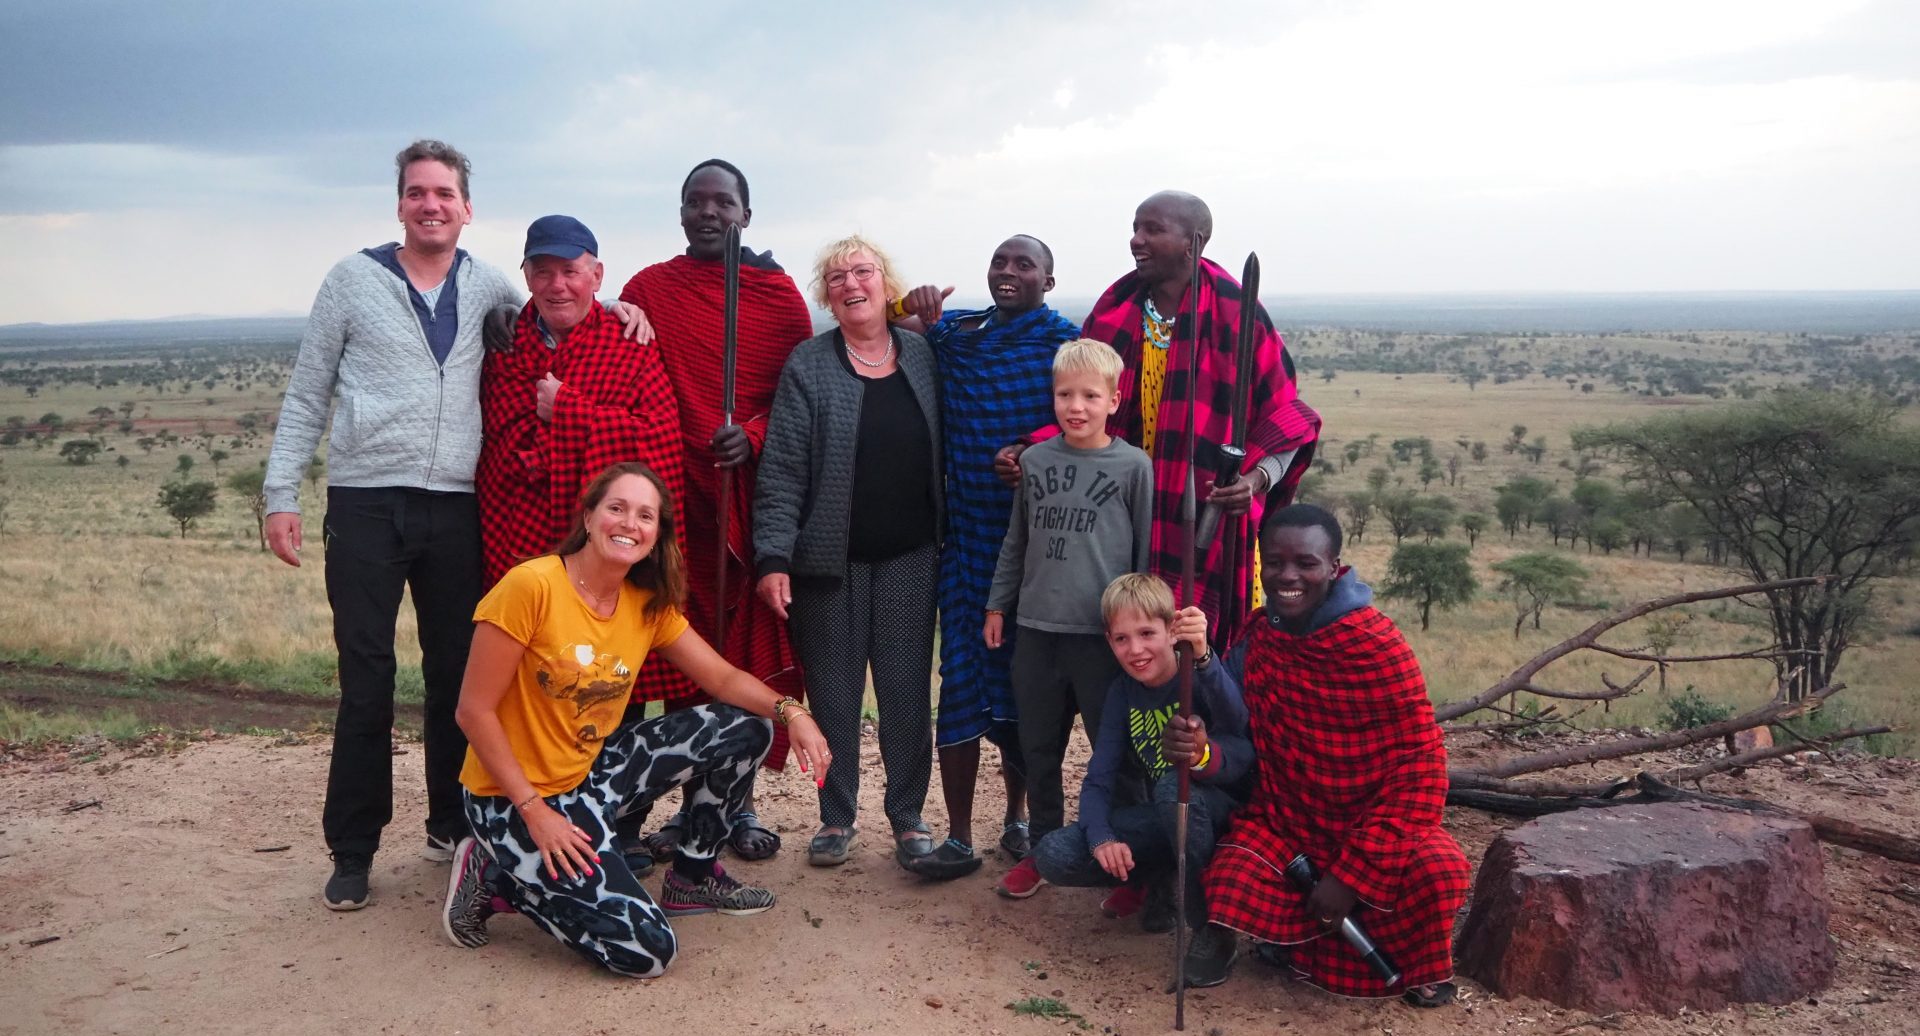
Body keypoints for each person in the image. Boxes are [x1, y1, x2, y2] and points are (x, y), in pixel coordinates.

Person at [262, 140, 522, 911]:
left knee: (457, 674)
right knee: (366, 679)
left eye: (445, 193)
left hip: (456, 505)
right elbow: (309, 392)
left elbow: (559, 318)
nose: (431, 204)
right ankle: (353, 847)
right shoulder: (351, 281)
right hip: (367, 502)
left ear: (467, 207)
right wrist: (281, 493)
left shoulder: (489, 287)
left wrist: (625, 310)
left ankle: (451, 823)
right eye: (417, 192)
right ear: (400, 203)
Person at [442, 461, 830, 977]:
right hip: (511, 797)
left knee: (748, 727)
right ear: (588, 517)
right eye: (617, 508)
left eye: (645, 516)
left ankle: (692, 879)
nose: (630, 524)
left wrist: (792, 711)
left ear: (656, 536)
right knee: (646, 953)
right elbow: (473, 710)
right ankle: (495, 878)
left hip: (590, 777)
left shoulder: (646, 603)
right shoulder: (530, 586)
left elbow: (722, 679)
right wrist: (536, 811)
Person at [995, 190, 1321, 652]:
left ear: (1194, 241)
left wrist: (1254, 479)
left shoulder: (1234, 309)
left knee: (1199, 646)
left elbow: (1287, 416)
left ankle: (1207, 721)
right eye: (1135, 228)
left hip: (1206, 511)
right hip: (1117, 506)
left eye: (1152, 230)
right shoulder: (1117, 306)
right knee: (1125, 638)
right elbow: (1087, 399)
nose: (1136, 241)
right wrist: (1033, 448)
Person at [615, 160, 814, 865]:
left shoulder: (778, 296)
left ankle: (732, 807)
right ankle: (644, 815)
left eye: (722, 202)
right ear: (679, 213)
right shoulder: (648, 289)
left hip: (741, 497)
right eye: (695, 202)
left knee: (735, 655)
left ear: (746, 215)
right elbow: (617, 359)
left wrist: (751, 433)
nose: (708, 212)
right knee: (665, 660)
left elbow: (795, 400)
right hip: (668, 500)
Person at [1199, 503, 1468, 1005]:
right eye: (1274, 563)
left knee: (1439, 870)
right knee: (1231, 881)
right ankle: (1297, 948)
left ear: (1334, 568)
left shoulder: (1376, 643)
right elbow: (1232, 720)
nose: (1288, 576)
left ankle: (1405, 963)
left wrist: (1352, 874)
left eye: (1305, 563)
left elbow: (1423, 767)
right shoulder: (1261, 637)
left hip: (1372, 825)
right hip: (1290, 824)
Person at [753, 234, 944, 875]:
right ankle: (836, 817)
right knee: (833, 695)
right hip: (827, 565)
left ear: (886, 285)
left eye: (862, 271)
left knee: (906, 693)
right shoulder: (809, 365)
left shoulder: (921, 356)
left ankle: (910, 816)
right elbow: (779, 470)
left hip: (912, 556)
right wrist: (773, 558)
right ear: (827, 296)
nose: (850, 283)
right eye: (836, 277)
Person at [895, 235, 1078, 871]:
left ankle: (1018, 819)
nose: (1008, 272)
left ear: (1047, 281)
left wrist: (1036, 445)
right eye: (999, 262)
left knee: (1025, 687)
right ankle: (960, 836)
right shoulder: (958, 336)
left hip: (1038, 540)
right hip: (967, 539)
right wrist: (909, 305)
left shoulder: (1065, 345)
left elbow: (1089, 412)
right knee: (964, 680)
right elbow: (882, 327)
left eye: (1024, 264)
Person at [985, 338, 1153, 897]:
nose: (1075, 406)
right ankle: (1044, 848)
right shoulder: (1035, 462)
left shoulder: (1133, 466)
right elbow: (1017, 541)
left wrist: (1141, 636)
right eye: (1064, 395)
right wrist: (997, 605)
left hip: (1103, 639)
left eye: (1088, 395)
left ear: (1113, 400)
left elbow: (1143, 557)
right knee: (1039, 748)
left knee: (1119, 753)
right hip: (1036, 630)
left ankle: (1128, 866)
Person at [1029, 573, 1251, 990]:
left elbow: (1239, 722)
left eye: (1147, 633)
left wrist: (1204, 659)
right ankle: (1163, 879)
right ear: (1108, 641)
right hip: (1168, 817)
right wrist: (1101, 839)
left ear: (1172, 630)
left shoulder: (1196, 671)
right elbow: (1099, 778)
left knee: (1171, 788)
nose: (1135, 650)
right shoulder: (1123, 692)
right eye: (1121, 639)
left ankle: (1211, 928)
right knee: (1055, 853)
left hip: (1221, 817)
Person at [476, 214, 685, 590]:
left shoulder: (629, 344)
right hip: (520, 534)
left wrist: (569, 411)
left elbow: (661, 439)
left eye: (571, 271)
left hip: (609, 539)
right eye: (543, 272)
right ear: (526, 277)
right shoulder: (505, 348)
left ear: (597, 276)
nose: (558, 286)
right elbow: (496, 450)